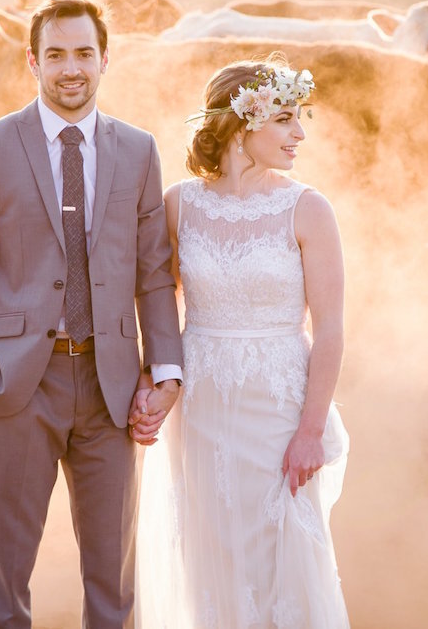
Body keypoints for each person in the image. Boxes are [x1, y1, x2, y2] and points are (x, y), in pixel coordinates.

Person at [0, 0, 184, 629]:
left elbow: (154, 275)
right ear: (32, 61)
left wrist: (166, 373)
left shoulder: (138, 150)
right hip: (20, 386)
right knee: (7, 573)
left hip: (111, 388)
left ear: (105, 59)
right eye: (55, 55)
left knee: (114, 579)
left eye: (83, 53)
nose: (70, 68)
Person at [136, 56, 351, 629]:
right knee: (213, 552)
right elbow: (159, 301)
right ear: (242, 121)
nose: (300, 133)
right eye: (284, 118)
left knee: (284, 554)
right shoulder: (182, 204)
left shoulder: (308, 208)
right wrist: (150, 377)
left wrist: (310, 432)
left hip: (279, 406)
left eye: (299, 117)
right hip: (203, 406)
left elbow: (330, 328)